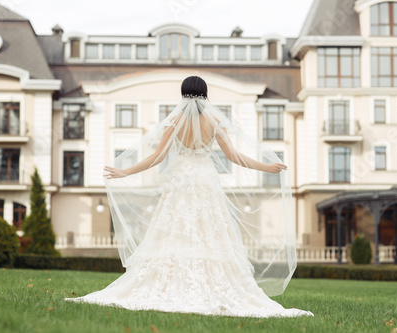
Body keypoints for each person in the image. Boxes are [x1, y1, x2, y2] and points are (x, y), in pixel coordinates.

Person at [64, 76, 314, 318]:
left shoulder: (174, 121)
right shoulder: (215, 120)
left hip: (180, 180)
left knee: (173, 229)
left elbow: (156, 157)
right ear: (206, 95)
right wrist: (266, 167)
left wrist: (125, 171)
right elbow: (234, 156)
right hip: (205, 180)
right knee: (209, 230)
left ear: (183, 94)